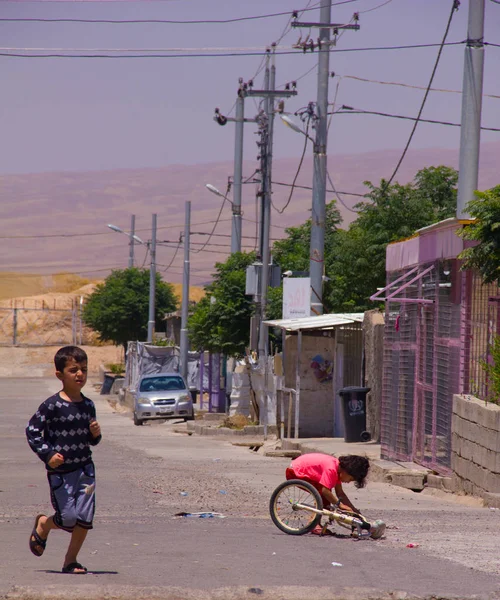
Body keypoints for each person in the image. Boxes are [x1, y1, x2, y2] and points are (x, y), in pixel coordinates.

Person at [26, 346, 101, 574]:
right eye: (73, 370)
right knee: (67, 518)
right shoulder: (52, 405)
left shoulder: (88, 405)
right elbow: (32, 431)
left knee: (84, 517)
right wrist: (48, 455)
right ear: (59, 374)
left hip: (85, 469)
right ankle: (43, 524)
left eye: (84, 370)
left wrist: (95, 434)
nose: (80, 374)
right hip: (61, 472)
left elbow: (91, 441)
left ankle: (71, 560)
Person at [286, 452, 369, 516]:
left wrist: (353, 510)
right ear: (346, 471)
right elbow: (325, 491)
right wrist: (339, 505)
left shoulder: (338, 470)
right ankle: (315, 524)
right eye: (350, 479)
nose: (348, 482)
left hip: (300, 471)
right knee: (324, 492)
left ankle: (319, 518)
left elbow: (340, 493)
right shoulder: (331, 469)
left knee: (327, 497)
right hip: (294, 472)